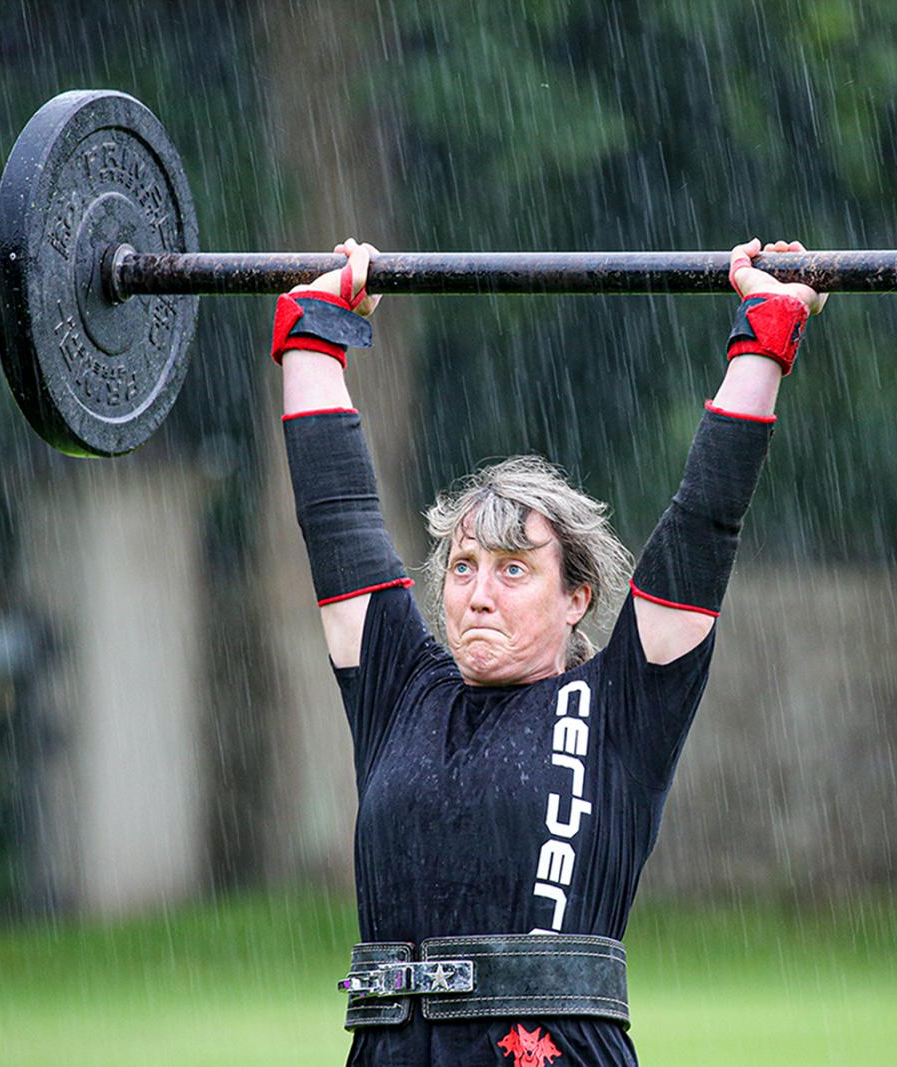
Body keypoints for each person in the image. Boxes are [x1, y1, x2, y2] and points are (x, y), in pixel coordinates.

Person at [273, 236, 825, 1067]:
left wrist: (766, 332)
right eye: (463, 566)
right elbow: (336, 516)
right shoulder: (399, 689)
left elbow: (704, 521)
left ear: (576, 598)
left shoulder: (621, 704)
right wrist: (314, 329)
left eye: (512, 568)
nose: (478, 592)